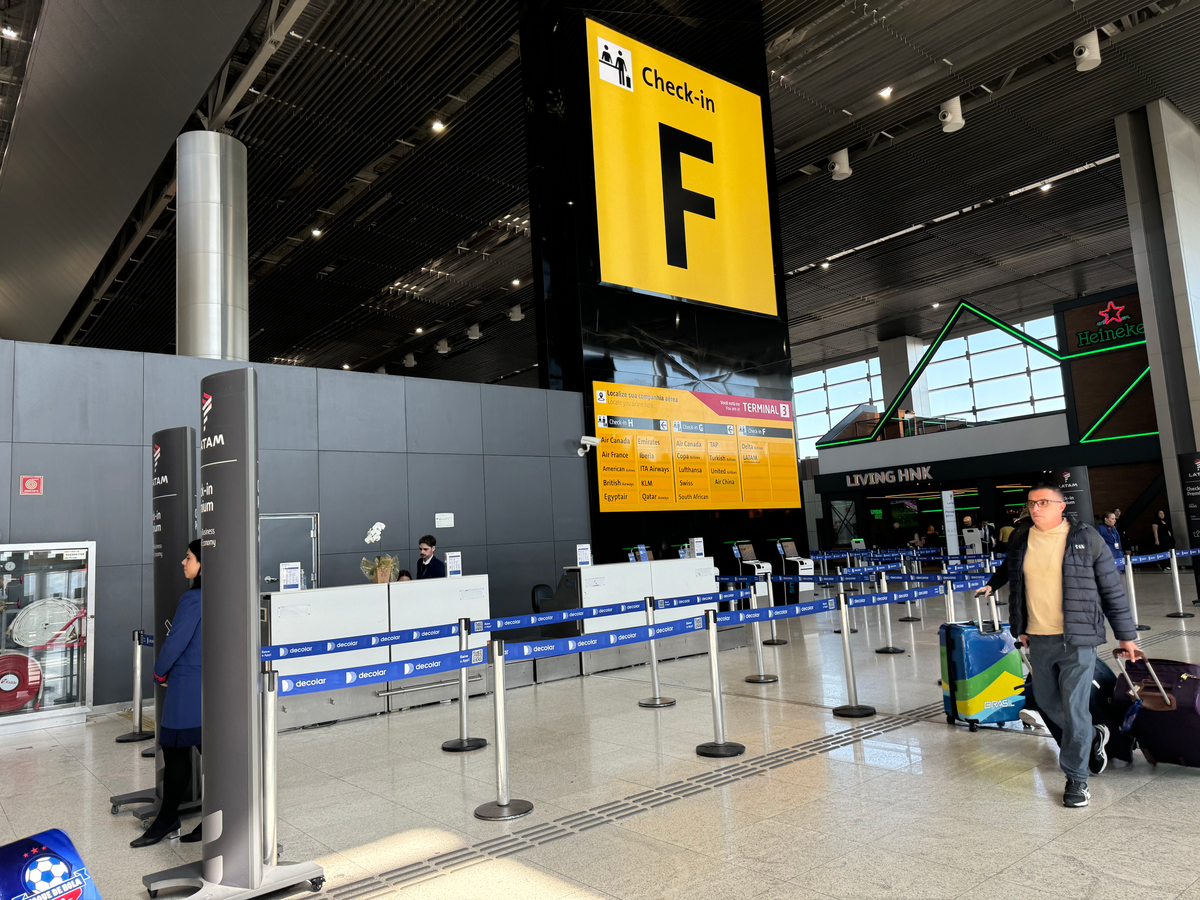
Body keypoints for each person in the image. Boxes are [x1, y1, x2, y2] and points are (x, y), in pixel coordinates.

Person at [977, 484, 1141, 809]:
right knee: (1048, 703)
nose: (1035, 508)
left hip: (1077, 638)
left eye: (1043, 503)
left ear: (1061, 506)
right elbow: (1010, 570)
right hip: (1038, 638)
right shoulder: (1021, 537)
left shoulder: (1086, 538)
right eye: (1031, 504)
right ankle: (1092, 737)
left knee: (1075, 707)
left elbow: (1112, 588)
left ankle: (1077, 780)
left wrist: (1126, 635)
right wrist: (994, 587)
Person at [132, 540, 203, 847]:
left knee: (175, 755)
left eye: (188, 557)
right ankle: (213, 819)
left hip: (187, 687)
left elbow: (175, 642)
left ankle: (167, 818)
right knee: (211, 753)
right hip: (211, 687)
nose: (183, 563)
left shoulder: (193, 599)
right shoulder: (225, 594)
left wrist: (159, 672)